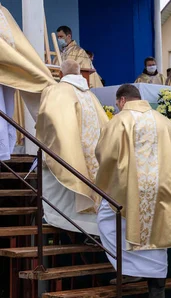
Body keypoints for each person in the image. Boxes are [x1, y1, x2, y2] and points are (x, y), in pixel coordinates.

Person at [95, 84, 171, 298]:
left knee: (108, 222)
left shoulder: (120, 121)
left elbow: (105, 155)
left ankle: (128, 269)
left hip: (131, 188)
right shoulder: (164, 121)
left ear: (121, 101)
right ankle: (156, 295)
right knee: (158, 238)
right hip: (163, 186)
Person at [36, 60, 108, 235]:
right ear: (79, 75)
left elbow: (50, 120)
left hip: (71, 152)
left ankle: (56, 218)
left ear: (61, 74)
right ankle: (90, 226)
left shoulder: (57, 90)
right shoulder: (91, 96)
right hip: (91, 156)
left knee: (59, 171)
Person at [0, 4, 55, 160]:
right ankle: (5, 149)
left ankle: (4, 150)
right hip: (11, 68)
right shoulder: (5, 12)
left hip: (8, 67)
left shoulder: (4, 12)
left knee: (5, 110)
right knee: (6, 110)